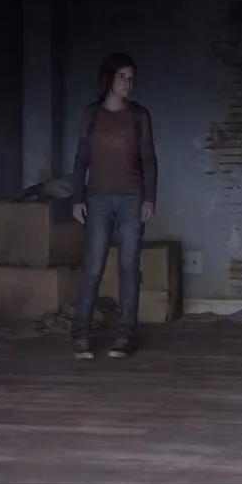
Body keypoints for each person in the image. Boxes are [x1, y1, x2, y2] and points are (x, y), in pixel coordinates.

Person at [69, 52, 158, 360]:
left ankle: (125, 334)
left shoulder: (139, 115)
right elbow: (81, 159)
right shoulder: (91, 115)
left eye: (132, 78)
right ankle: (81, 334)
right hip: (97, 199)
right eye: (122, 77)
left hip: (132, 197)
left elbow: (149, 159)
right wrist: (77, 199)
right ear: (108, 79)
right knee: (93, 266)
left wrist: (150, 198)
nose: (128, 83)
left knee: (129, 267)